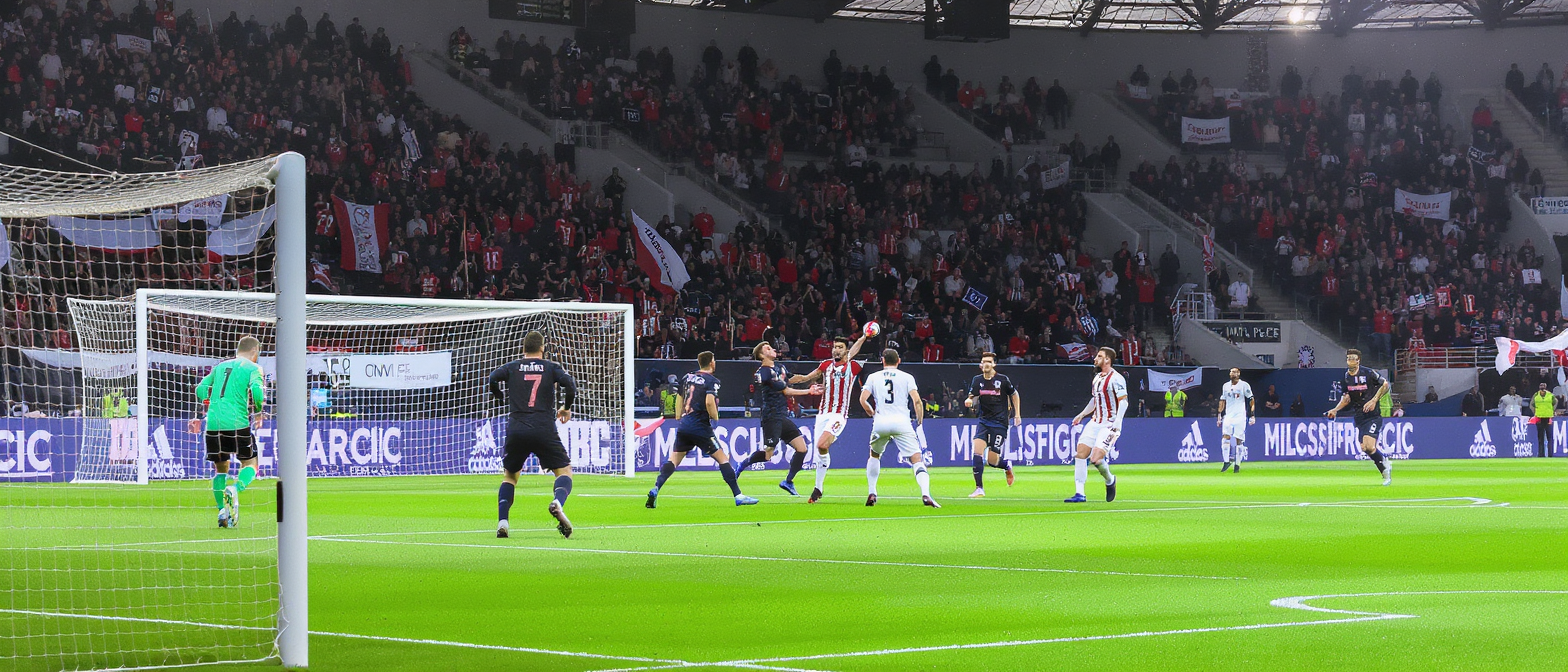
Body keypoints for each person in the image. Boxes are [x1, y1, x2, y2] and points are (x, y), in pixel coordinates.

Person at [488, 331, 578, 538]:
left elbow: (493, 378)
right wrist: (566, 407)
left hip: (517, 428)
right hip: (543, 428)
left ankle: (503, 522)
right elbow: (570, 386)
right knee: (564, 472)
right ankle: (557, 502)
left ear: (523, 349)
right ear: (542, 349)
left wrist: (498, 395)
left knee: (510, 477)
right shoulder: (551, 367)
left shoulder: (511, 367)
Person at [646, 351, 758, 508]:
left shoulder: (687, 377)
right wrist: (715, 419)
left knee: (674, 459)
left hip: (685, 424)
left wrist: (679, 416)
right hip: (700, 425)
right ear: (712, 362)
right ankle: (738, 496)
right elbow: (710, 402)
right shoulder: (712, 380)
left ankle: (656, 488)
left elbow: (679, 397)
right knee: (723, 459)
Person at [190, 336, 266, 529]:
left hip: (214, 425)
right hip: (237, 423)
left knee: (220, 469)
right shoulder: (253, 368)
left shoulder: (220, 366)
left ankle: (222, 511)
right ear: (255, 350)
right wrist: (258, 410)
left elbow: (200, 389)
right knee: (250, 463)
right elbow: (257, 392)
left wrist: (210, 402)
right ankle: (236, 488)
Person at [787, 332, 871, 503]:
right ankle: (818, 488)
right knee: (820, 452)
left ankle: (818, 488)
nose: (836, 350)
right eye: (834, 347)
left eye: (840, 347)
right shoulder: (825, 365)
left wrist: (863, 337)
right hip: (823, 414)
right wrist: (791, 380)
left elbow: (853, 351)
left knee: (821, 444)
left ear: (846, 351)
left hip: (839, 415)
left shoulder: (852, 367)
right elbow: (807, 377)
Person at [733, 341, 822, 493]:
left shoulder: (779, 367)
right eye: (768, 348)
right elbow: (786, 391)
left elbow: (793, 379)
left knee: (802, 449)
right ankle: (743, 464)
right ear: (762, 355)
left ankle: (788, 481)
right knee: (768, 455)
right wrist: (809, 392)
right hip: (771, 416)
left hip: (782, 415)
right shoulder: (764, 373)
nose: (772, 349)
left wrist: (816, 373)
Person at [859, 349, 938, 508]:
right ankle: (925, 494)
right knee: (916, 459)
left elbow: (863, 399)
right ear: (898, 361)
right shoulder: (907, 377)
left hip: (881, 422)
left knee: (874, 455)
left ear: (882, 361)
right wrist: (919, 420)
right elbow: (916, 400)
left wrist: (869, 410)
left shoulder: (873, 377)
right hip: (902, 422)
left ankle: (872, 492)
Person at [1325, 350, 1391, 486]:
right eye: (1348, 358)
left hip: (1373, 416)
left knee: (1370, 445)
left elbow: (1385, 385)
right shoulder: (1346, 378)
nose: (1350, 361)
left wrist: (1374, 400)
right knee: (1364, 448)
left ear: (1358, 360)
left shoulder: (1368, 373)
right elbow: (1346, 398)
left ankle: (1385, 470)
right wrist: (1336, 409)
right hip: (1359, 417)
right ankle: (1383, 462)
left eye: (1353, 359)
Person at [1067, 348, 1122, 503]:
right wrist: (1082, 414)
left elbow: (1124, 401)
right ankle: (1080, 493)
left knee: (1096, 459)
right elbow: (1095, 401)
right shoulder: (1097, 378)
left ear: (1107, 360)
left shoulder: (1116, 379)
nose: (1096, 358)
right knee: (1080, 454)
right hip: (1095, 422)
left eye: (1099, 356)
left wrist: (1117, 422)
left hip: (1109, 424)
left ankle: (1110, 480)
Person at [964, 352, 1020, 498]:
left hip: (1000, 423)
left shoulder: (1003, 380)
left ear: (994, 364)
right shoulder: (977, 380)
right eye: (983, 362)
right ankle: (979, 488)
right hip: (984, 421)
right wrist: (969, 400)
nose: (986, 364)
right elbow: (973, 395)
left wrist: (1017, 414)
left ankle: (1007, 465)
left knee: (992, 461)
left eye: (989, 361)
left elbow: (1014, 394)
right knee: (977, 450)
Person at [1217, 367, 1255, 473]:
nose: (1231, 373)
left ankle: (1237, 465)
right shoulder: (1225, 386)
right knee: (1225, 437)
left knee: (1239, 439)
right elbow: (1222, 400)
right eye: (1230, 371)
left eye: (1234, 372)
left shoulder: (1244, 385)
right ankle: (1226, 462)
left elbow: (1251, 399)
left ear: (1238, 373)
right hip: (1228, 415)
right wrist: (1219, 414)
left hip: (1240, 415)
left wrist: (1252, 415)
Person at [1533, 382, 1556, 458]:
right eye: (1541, 385)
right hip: (1539, 417)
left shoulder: (1550, 395)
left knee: (1549, 437)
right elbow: (1531, 404)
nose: (1542, 386)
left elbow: (1555, 402)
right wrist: (1535, 412)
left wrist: (1552, 411)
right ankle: (1541, 454)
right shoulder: (1536, 395)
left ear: (1546, 386)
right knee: (1540, 437)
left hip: (1548, 417)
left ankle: (1550, 454)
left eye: (1543, 385)